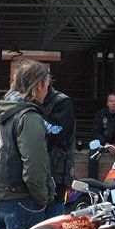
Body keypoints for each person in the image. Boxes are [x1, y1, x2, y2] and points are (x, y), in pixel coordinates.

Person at [0, 59, 54, 229]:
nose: (47, 91)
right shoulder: (28, 116)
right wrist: (42, 197)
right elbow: (34, 165)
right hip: (23, 200)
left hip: (0, 199)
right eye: (47, 85)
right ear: (38, 85)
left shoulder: (2, 112)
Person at [42, 84, 76, 218]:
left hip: (55, 173)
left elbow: (58, 136)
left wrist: (37, 120)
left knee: (53, 221)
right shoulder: (28, 103)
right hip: (34, 175)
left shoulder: (62, 102)